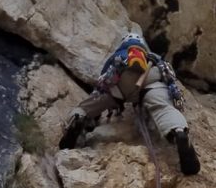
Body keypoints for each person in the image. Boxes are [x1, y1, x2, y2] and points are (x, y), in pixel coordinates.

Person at [58, 32, 201, 175]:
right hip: (150, 76)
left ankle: (78, 119)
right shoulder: (151, 56)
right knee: (163, 108)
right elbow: (167, 75)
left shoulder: (120, 54)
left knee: (90, 105)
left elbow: (103, 80)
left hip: (121, 78)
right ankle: (178, 132)